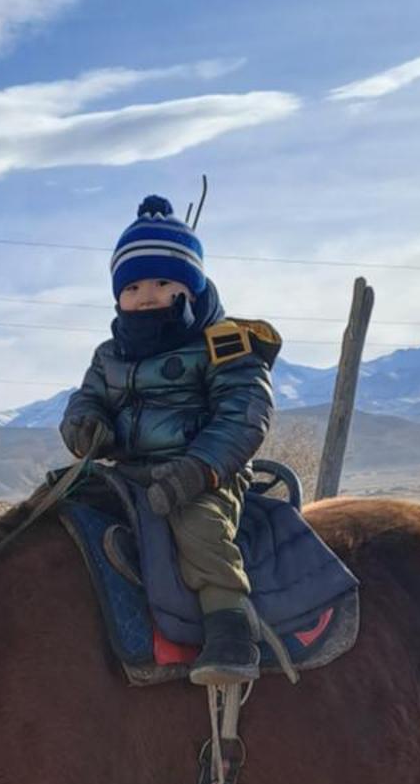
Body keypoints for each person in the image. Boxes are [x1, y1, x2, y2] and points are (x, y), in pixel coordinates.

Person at [60, 194, 279, 683]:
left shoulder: (222, 342)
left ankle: (231, 628)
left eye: (163, 282)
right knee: (57, 509)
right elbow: (86, 400)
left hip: (204, 473)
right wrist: (83, 426)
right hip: (127, 471)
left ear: (192, 287)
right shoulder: (108, 354)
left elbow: (246, 412)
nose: (147, 295)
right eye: (133, 285)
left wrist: (199, 468)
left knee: (198, 525)